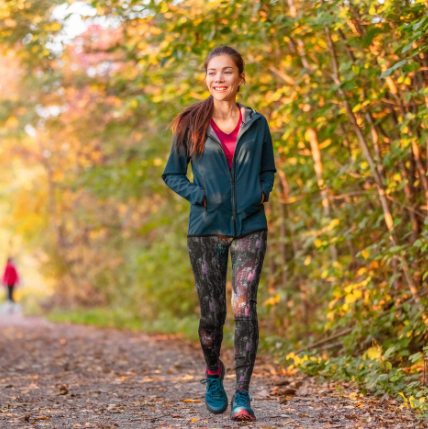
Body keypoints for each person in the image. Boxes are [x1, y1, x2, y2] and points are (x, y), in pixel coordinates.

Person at [162, 46, 276, 422]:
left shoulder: (256, 124)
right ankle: (214, 373)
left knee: (244, 307)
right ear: (206, 77)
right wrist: (202, 197)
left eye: (227, 72)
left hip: (250, 226)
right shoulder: (190, 123)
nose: (219, 79)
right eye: (213, 72)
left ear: (241, 78)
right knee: (213, 314)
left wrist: (261, 192)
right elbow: (173, 174)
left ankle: (242, 394)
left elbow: (268, 170)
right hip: (206, 230)